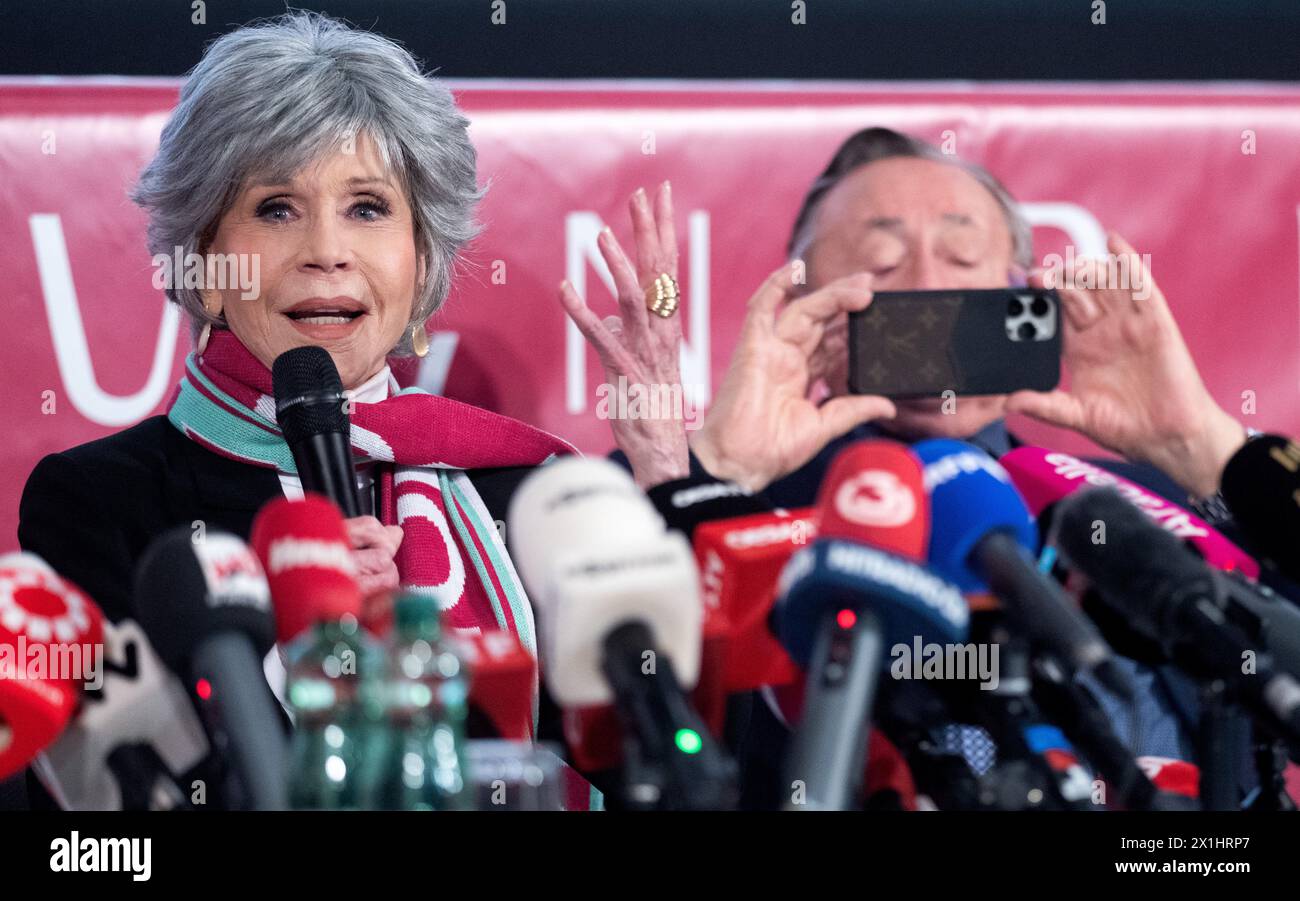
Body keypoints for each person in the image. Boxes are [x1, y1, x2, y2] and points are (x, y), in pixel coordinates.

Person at [13, 11, 652, 808]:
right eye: (277, 208)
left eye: (368, 207)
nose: (327, 248)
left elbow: (667, 772)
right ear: (206, 264)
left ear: (423, 265)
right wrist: (294, 652)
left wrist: (673, 491)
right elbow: (97, 839)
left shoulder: (525, 491)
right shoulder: (103, 503)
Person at [563, 126, 1264, 806]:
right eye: (886, 266)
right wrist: (714, 468)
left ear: (1025, 294)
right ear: (809, 312)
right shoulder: (719, 503)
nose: (932, 290)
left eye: (963, 261)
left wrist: (1202, 447)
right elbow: (609, 714)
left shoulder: (1127, 511)